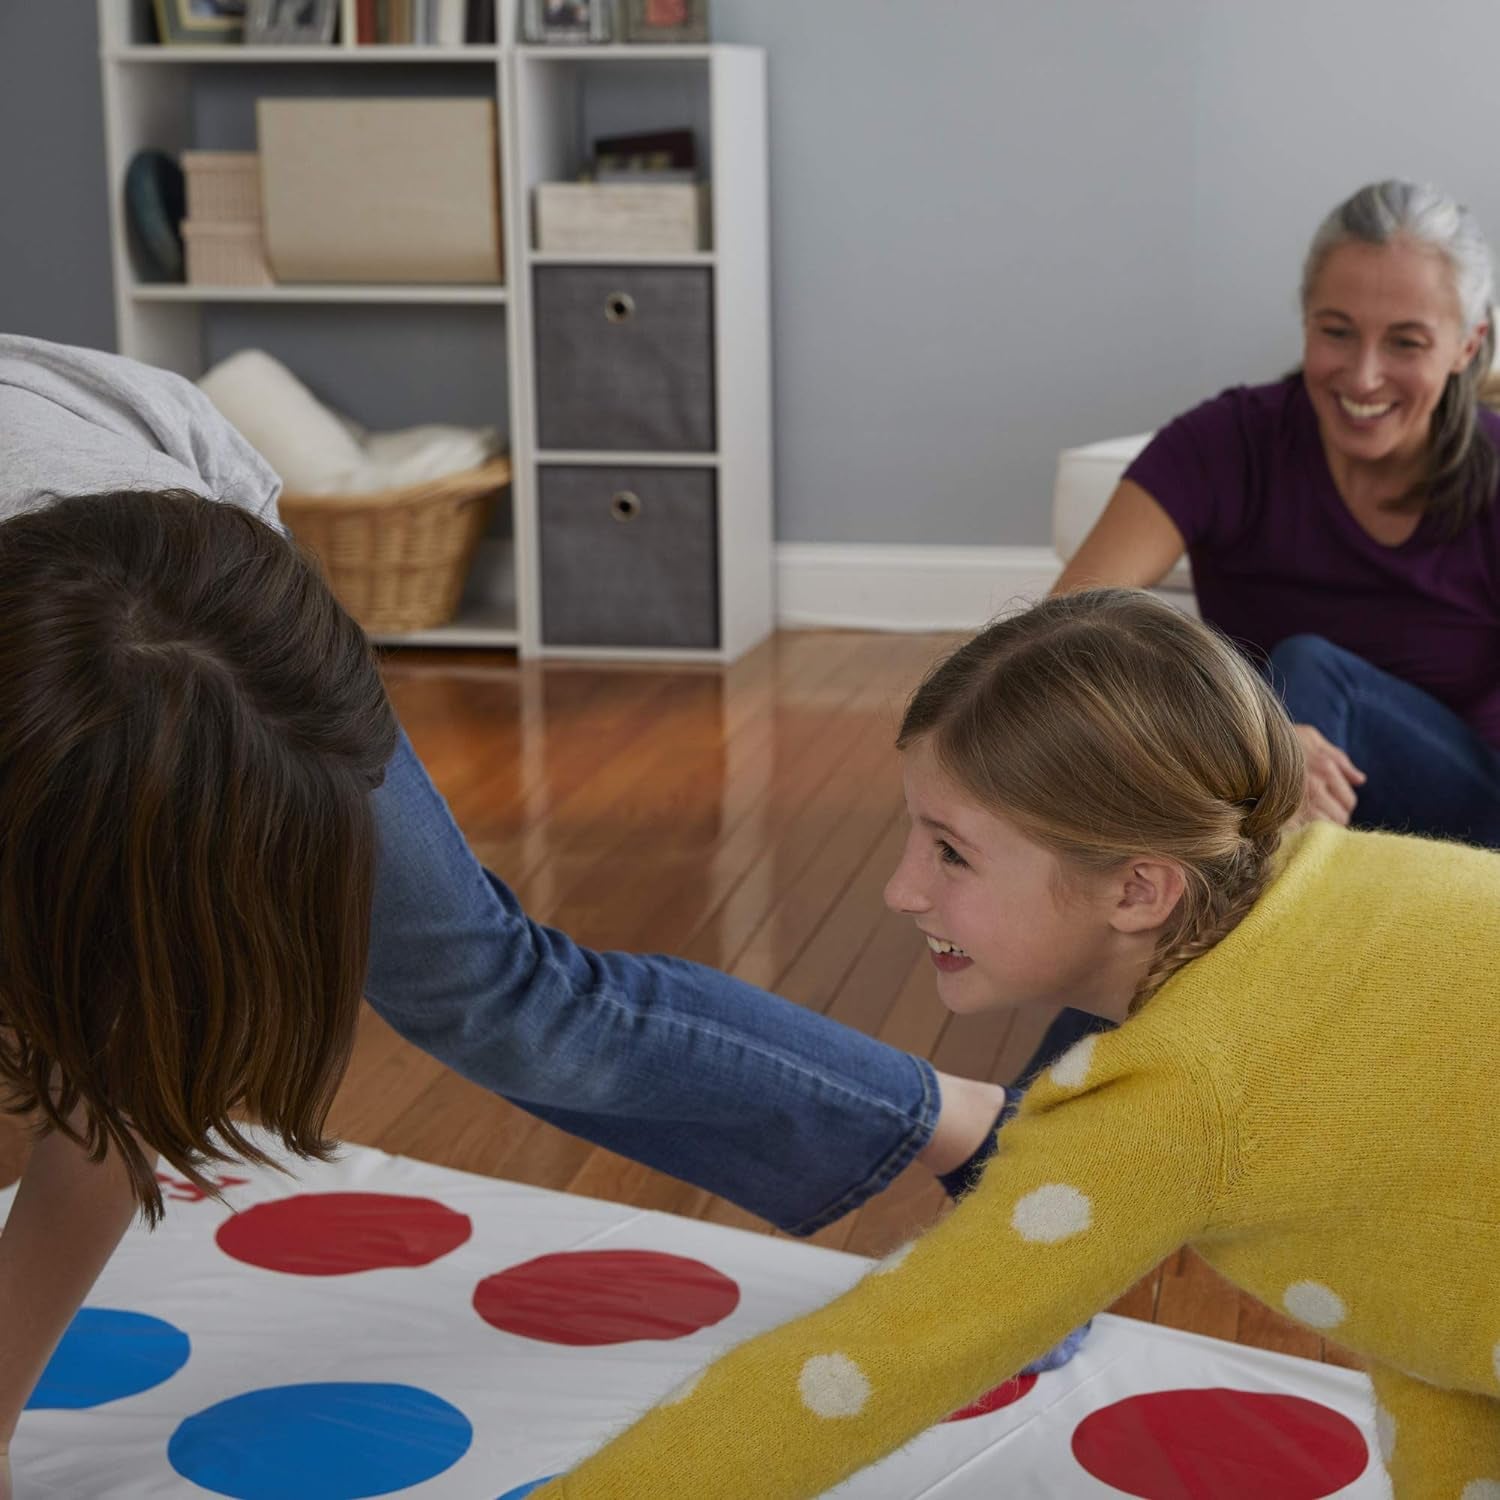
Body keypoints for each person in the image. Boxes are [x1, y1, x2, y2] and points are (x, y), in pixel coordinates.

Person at [0, 334, 1025, 1492]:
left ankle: (987, 1134)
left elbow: (115, 1078)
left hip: (183, 563)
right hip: (73, 625)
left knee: (484, 985)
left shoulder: (214, 598)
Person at [534, 587, 1500, 1499]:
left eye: (951, 851)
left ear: (1137, 890)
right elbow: (1433, 1294)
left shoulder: (1170, 1105)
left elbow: (872, 1365)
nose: (902, 889)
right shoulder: (1355, 880)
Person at [1059, 178, 1500, 847]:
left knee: (1306, 671)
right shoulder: (1226, 443)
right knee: (1266, 707)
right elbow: (1063, 632)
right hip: (1268, 795)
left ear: (1468, 346)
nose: (1363, 376)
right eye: (1336, 332)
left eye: (1406, 343)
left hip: (1468, 824)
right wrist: (1248, 736)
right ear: (1305, 320)